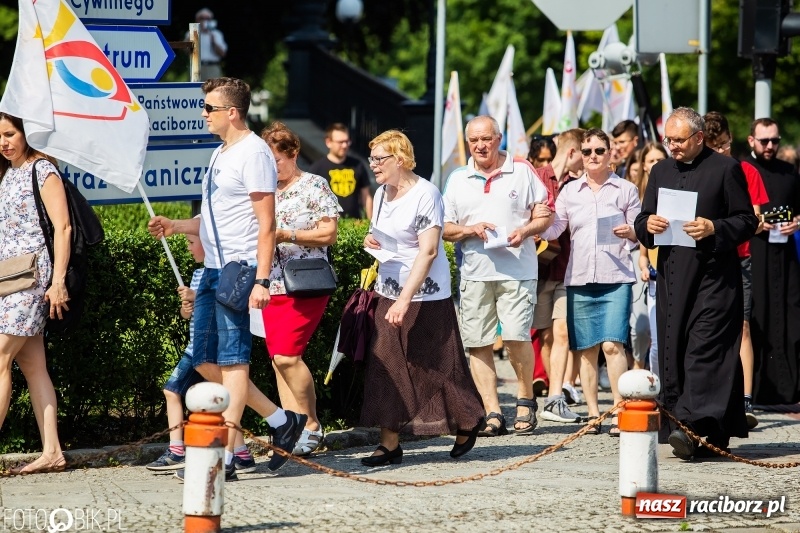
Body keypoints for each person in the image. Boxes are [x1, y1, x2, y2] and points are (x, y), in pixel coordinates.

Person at [147, 77, 306, 479]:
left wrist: (262, 280)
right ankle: (280, 421)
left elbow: (266, 224)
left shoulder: (254, 153)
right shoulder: (221, 152)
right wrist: (178, 225)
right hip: (214, 269)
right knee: (203, 360)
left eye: (209, 109)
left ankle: (223, 457)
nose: (203, 114)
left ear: (231, 112)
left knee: (234, 362)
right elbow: (215, 218)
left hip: (241, 268)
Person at [634, 107, 758, 460]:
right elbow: (642, 221)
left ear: (699, 138)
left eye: (678, 140)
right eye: (667, 139)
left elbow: (746, 221)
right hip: (673, 280)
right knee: (675, 352)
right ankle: (708, 432)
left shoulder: (725, 169)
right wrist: (649, 226)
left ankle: (689, 427)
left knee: (704, 352)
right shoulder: (660, 171)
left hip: (715, 281)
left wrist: (714, 227)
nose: (671, 146)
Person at [359, 130, 484, 466]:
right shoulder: (383, 192)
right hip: (388, 286)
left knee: (437, 365)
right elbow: (386, 232)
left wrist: (405, 300)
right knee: (385, 362)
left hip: (425, 294)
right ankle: (389, 444)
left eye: (379, 159)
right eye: (372, 159)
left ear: (400, 159)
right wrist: (373, 238)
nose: (374, 165)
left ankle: (469, 419)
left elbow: (428, 251)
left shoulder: (426, 194)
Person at [443, 115, 553, 437]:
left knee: (517, 335)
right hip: (474, 272)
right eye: (474, 140)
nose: (480, 145)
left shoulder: (521, 170)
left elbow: (544, 214)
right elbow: (446, 229)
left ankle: (525, 400)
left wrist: (526, 230)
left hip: (517, 269)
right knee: (477, 343)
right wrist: (470, 229)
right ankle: (492, 412)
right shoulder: (457, 178)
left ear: (498, 138)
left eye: (486, 139)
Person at [539, 128, 641, 436]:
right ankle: (595, 414)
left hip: (616, 277)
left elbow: (640, 232)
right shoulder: (570, 191)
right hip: (580, 278)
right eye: (587, 152)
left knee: (612, 345)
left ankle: (619, 410)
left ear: (611, 154)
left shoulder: (626, 190)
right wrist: (539, 222)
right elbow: (556, 228)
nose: (593, 156)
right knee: (585, 349)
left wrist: (631, 232)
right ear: (580, 156)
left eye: (599, 151)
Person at [260, 122, 340, 456]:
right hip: (270, 284)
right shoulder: (263, 192)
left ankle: (311, 425)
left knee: (288, 356)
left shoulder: (314, 185)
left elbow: (328, 234)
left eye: (276, 161)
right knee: (278, 360)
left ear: (293, 154)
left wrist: (286, 234)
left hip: (305, 283)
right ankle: (290, 427)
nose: (272, 169)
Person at [146, 232, 257, 473]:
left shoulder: (217, 275)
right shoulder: (199, 274)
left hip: (207, 351)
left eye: (191, 242)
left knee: (177, 391)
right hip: (194, 348)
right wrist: (186, 308)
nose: (188, 247)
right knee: (214, 399)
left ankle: (178, 450)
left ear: (207, 245)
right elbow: (189, 314)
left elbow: (220, 302)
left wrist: (196, 297)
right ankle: (241, 454)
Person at [0, 113, 68, 474]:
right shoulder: (8, 173)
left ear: (27, 133)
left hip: (32, 280)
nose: (4, 142)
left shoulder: (42, 170)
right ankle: (53, 451)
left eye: (10, 134)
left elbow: (63, 227)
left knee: (0, 358)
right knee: (32, 366)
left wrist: (57, 282)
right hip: (7, 279)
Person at [704, 111, 769, 429]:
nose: (720, 153)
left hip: (740, 258)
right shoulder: (701, 172)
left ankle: (744, 398)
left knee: (741, 326)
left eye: (724, 145)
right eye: (714, 147)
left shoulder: (745, 171)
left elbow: (755, 220)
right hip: (708, 259)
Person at [532, 128, 587, 424]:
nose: (588, 159)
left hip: (568, 268)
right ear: (571, 152)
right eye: (585, 153)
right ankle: (552, 399)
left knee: (563, 332)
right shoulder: (537, 178)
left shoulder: (581, 185)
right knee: (546, 335)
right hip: (540, 268)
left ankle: (555, 396)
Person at [745, 118, 800, 406]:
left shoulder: (789, 172)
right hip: (756, 254)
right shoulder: (742, 170)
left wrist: (797, 223)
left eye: (775, 141)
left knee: (791, 316)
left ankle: (790, 388)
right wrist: (754, 224)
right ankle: (755, 389)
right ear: (751, 141)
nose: (770, 146)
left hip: (786, 256)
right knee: (758, 317)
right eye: (764, 141)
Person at [634, 142, 668, 376]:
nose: (656, 165)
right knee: (644, 332)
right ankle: (649, 383)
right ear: (644, 166)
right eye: (652, 161)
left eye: (660, 160)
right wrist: (645, 267)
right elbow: (643, 251)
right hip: (652, 276)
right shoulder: (638, 194)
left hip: (677, 274)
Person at [309, 123, 373, 219]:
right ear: (328, 142)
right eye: (340, 142)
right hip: (328, 223)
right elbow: (311, 200)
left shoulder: (357, 165)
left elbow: (366, 196)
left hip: (355, 223)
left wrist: (370, 223)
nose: (344, 145)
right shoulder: (317, 168)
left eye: (347, 141)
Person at [622, 146, 649, 371]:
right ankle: (637, 368)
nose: (651, 166)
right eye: (648, 161)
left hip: (664, 259)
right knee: (637, 323)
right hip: (633, 257)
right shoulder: (629, 191)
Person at [189, 8, 227, 80]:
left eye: (207, 18)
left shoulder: (217, 34)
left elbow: (222, 53)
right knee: (194, 90)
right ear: (197, 20)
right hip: (196, 68)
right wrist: (196, 32)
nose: (205, 21)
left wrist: (213, 41)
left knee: (214, 90)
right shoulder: (191, 33)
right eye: (202, 18)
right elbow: (185, 50)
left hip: (213, 67)